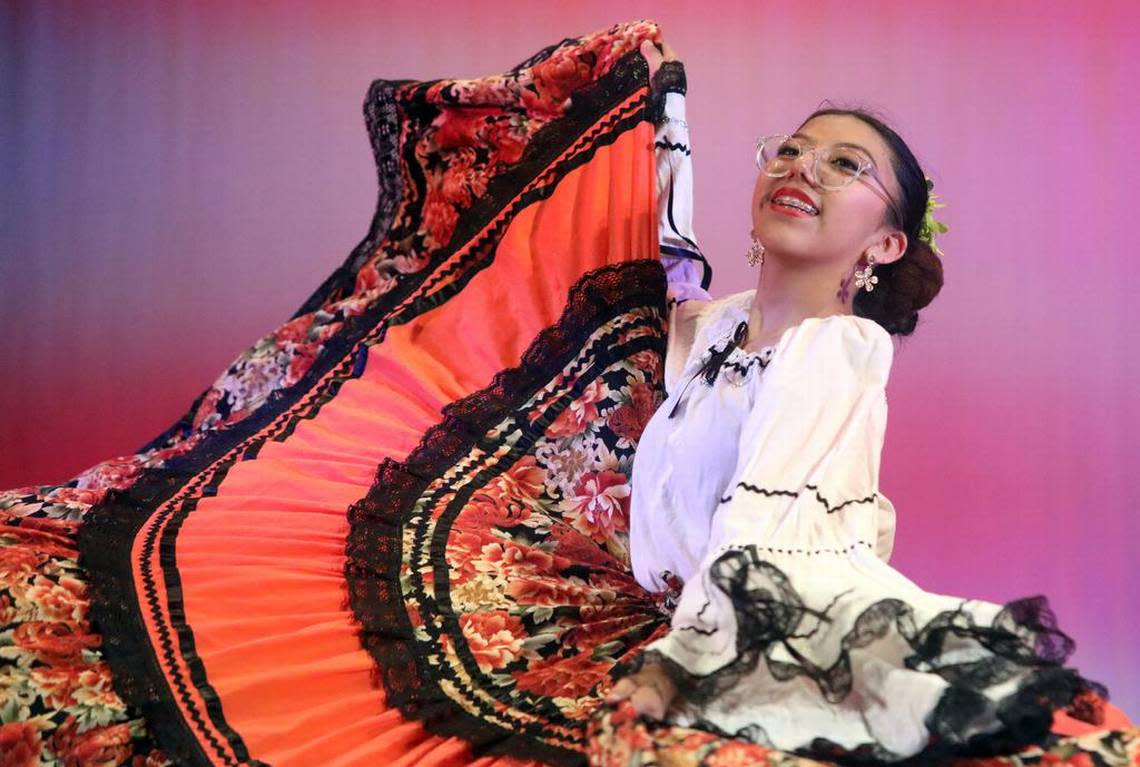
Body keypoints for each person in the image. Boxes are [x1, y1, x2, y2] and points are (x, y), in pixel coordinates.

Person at [0, 21, 1132, 767]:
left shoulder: (839, 350)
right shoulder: (700, 323)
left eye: (845, 165)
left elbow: (769, 542)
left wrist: (675, 674)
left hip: (782, 625)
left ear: (883, 241)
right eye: (791, 146)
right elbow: (569, 312)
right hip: (670, 603)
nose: (802, 165)